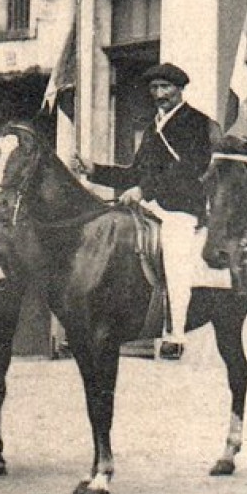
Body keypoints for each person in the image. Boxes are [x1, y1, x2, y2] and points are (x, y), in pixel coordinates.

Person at [72, 63, 217, 360]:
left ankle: (175, 333)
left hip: (182, 208)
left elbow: (187, 170)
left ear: (180, 89)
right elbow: (136, 173)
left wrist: (143, 191)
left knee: (176, 257)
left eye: (166, 88)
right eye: (155, 88)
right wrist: (95, 170)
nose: (160, 94)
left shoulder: (198, 123)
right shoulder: (154, 127)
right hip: (150, 206)